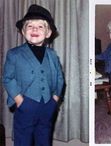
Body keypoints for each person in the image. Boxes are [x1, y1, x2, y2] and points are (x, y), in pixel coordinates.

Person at [2, 4, 64, 146]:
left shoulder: (52, 55)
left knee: (44, 135)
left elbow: (60, 78)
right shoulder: (14, 54)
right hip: (26, 103)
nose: (35, 29)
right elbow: (8, 78)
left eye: (40, 26)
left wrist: (55, 98)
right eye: (30, 26)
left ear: (48, 33)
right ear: (23, 32)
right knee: (23, 138)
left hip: (48, 104)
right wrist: (19, 100)